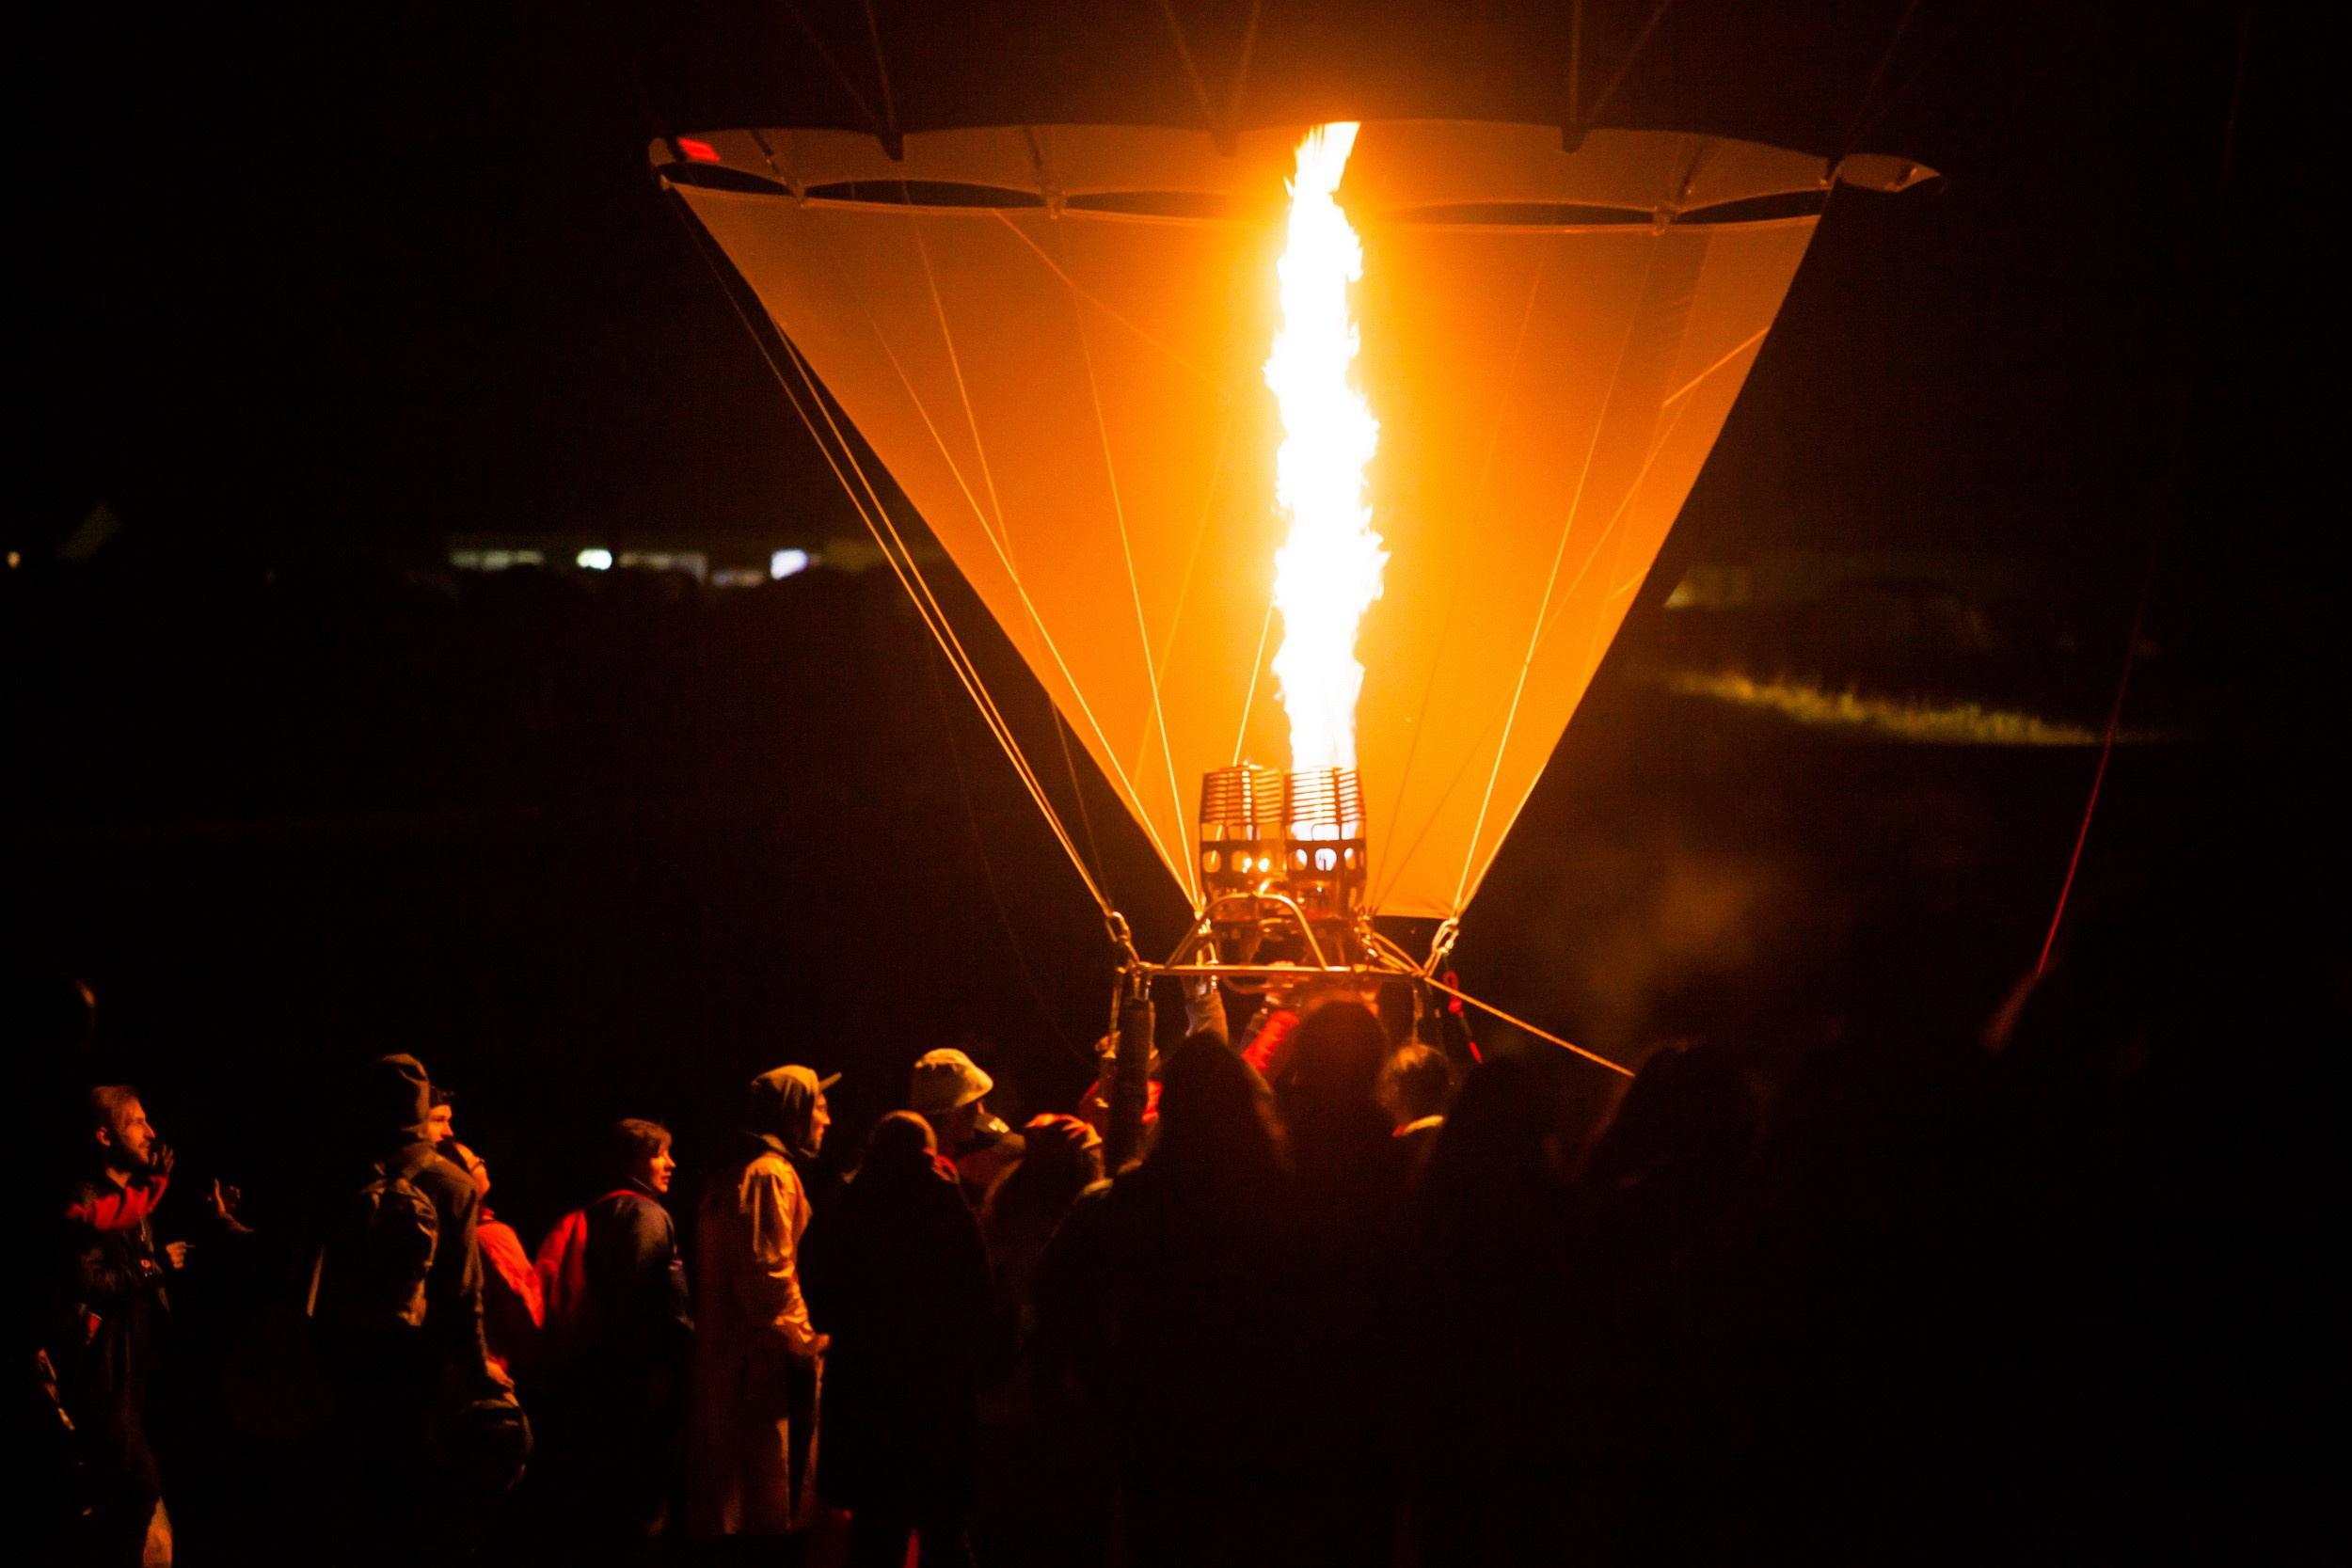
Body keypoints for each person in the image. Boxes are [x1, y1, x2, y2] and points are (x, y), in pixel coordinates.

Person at [311, 1053, 512, 1565]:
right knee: (417, 1499)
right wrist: (476, 1366)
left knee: (351, 1500)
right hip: (418, 1365)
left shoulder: (337, 1176)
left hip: (343, 1356)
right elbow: (464, 1292)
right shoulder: (452, 1183)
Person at [803, 1112, 994, 1568]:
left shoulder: (845, 1203)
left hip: (863, 1389)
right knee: (943, 1527)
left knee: (874, 1531)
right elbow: (979, 1297)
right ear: (927, 1153)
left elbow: (815, 1283)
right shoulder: (944, 1203)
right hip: (936, 1390)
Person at [535, 1119, 695, 1553]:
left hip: (591, 1373)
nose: (670, 1163)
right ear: (633, 1161)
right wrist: (657, 1371)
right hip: (633, 1382)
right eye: (659, 1154)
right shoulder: (645, 1215)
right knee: (636, 1501)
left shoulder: (594, 1210)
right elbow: (642, 1299)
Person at [687, 1066, 832, 1540]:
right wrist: (808, 1342)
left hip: (742, 1357)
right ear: (794, 1112)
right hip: (765, 1363)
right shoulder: (769, 1174)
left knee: (746, 1494)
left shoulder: (740, 1169)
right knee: (766, 1501)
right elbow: (769, 1277)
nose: (826, 1122)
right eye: (819, 1108)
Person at [52, 1085, 190, 1565]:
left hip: (130, 1361)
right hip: (100, 1368)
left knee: (127, 1488)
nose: (151, 1132)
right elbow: (89, 1281)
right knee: (137, 1484)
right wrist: (154, 1271)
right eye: (137, 1122)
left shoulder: (133, 1194)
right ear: (104, 1136)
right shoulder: (88, 1197)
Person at [448, 1140, 543, 1383]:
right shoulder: (491, 1236)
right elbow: (524, 1304)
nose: (483, 1163)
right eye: (476, 1163)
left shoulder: (454, 1233)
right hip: (500, 1368)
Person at [911, 1048, 1023, 1201]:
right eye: (975, 1102)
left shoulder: (942, 1163)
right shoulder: (925, 1182)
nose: (980, 1112)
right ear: (951, 1113)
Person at [1378, 1043, 1455, 1188]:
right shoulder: (1465, 1138)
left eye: (1387, 1083)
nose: (1383, 1098)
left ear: (1398, 1089)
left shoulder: (1398, 1152)